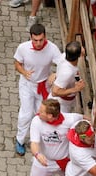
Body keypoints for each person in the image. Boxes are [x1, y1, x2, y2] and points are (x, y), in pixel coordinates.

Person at [9, 99, 84, 176]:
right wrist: (38, 155)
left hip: (65, 162)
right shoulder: (37, 121)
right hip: (44, 162)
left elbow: (86, 119)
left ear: (50, 116)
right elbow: (34, 143)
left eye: (41, 111)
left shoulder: (71, 119)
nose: (38, 112)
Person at [14, 23, 62, 156]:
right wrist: (24, 72)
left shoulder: (52, 48)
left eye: (41, 40)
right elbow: (17, 63)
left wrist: (55, 73)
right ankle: (20, 140)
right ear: (30, 37)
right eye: (35, 40)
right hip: (27, 85)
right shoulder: (23, 48)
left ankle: (37, 141)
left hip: (43, 86)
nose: (38, 43)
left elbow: (62, 64)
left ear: (45, 36)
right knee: (26, 113)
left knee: (40, 114)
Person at [48, 41, 85, 113]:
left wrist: (56, 74)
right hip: (60, 104)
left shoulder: (64, 55)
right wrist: (76, 89)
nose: (83, 49)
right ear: (79, 55)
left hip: (65, 98)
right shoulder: (67, 72)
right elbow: (54, 92)